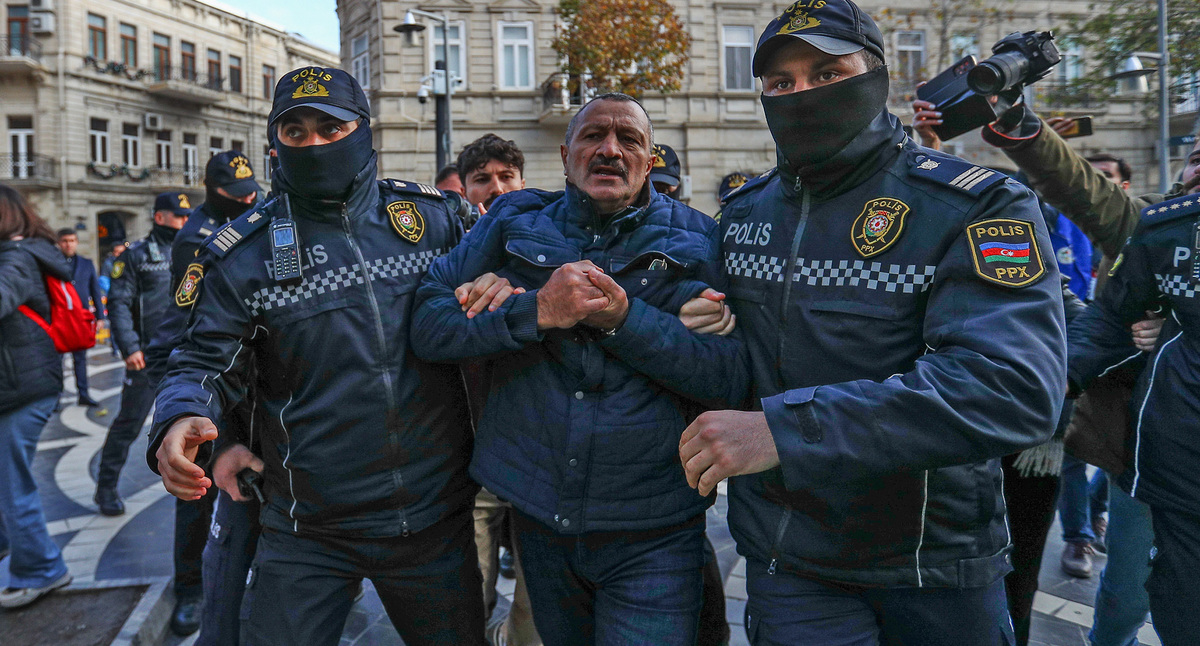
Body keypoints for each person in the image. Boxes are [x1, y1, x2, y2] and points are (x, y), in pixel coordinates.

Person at [677, 2, 1066, 643]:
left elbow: (1013, 389)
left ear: (878, 76)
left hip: (932, 565)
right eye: (781, 83)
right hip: (790, 562)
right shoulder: (742, 214)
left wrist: (786, 430)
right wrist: (699, 321)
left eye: (828, 73)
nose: (801, 94)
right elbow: (730, 366)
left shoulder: (977, 202)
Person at [149, 66, 486, 646]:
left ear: (362, 129)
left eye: (331, 128)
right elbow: (202, 358)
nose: (314, 144)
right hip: (307, 528)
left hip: (432, 521)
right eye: (296, 132)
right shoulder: (241, 254)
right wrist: (183, 419)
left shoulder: (435, 222)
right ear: (275, 143)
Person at [411, 92, 748, 645]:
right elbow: (428, 324)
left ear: (648, 157)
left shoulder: (700, 238)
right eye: (593, 136)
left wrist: (624, 318)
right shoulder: (511, 221)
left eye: (629, 140)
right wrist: (536, 310)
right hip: (540, 519)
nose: (610, 150)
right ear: (566, 154)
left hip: (653, 527)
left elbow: (729, 379)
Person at [916, 94, 1197, 646]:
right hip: (1149, 458)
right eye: (1194, 157)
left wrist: (1180, 337)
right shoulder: (1157, 229)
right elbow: (1084, 194)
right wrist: (1049, 394)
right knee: (1134, 593)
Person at [1068, 185, 1200, 646]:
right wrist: (1055, 382)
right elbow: (1109, 319)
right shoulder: (1168, 225)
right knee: (1164, 601)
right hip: (1172, 467)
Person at [141, 150, 262, 640]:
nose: (249, 200)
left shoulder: (261, 215)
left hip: (251, 380)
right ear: (214, 192)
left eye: (252, 191)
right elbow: (186, 323)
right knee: (194, 495)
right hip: (208, 379)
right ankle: (190, 590)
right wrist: (181, 407)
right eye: (238, 197)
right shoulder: (197, 239)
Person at [451, 132, 540, 646]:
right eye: (482, 179)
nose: (496, 187)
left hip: (537, 452)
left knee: (534, 617)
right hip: (474, 451)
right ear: (466, 190)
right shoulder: (451, 254)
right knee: (469, 598)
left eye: (506, 176)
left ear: (523, 182)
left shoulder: (549, 241)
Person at [0, 184, 74, 608]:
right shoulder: (22, 253)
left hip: (23, 389)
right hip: (20, 384)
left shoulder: (15, 257)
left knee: (13, 486)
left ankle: (42, 570)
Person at [56, 228, 106, 409]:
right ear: (59, 243)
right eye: (64, 240)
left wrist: (99, 316)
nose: (68, 244)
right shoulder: (52, 263)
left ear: (76, 242)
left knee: (81, 358)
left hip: (81, 318)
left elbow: (95, 290)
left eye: (71, 240)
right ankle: (56, 397)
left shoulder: (86, 263)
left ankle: (83, 394)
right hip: (59, 319)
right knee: (57, 361)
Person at [100, 242, 127, 357]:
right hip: (115, 297)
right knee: (115, 322)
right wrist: (113, 290)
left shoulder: (129, 261)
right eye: (117, 252)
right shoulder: (109, 263)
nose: (119, 255)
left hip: (128, 296)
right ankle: (115, 347)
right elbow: (103, 280)